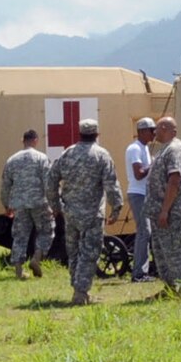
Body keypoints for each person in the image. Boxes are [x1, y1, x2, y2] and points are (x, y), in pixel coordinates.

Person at [48, 118, 123, 306]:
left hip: (70, 213)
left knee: (73, 252)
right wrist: (116, 207)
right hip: (92, 214)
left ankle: (78, 288)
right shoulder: (102, 155)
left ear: (79, 133)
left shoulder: (67, 154)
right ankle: (80, 292)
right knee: (90, 253)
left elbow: (51, 180)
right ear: (97, 134)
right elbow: (111, 184)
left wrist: (56, 206)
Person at [145, 116, 181, 294]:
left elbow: (174, 180)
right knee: (162, 251)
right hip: (159, 211)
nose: (154, 132)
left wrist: (165, 210)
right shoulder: (164, 150)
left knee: (176, 250)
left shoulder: (175, 149)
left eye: (156, 128)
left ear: (164, 128)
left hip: (171, 212)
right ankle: (170, 288)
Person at [0, 128, 55, 279]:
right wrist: (54, 204)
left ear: (22, 141)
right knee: (46, 231)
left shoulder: (12, 160)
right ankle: (36, 258)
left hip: (20, 205)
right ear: (36, 141)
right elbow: (48, 183)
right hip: (39, 203)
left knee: (20, 235)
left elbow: (5, 185)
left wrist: (6, 205)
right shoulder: (42, 158)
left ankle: (19, 271)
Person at [124, 117, 155, 281]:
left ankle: (144, 270)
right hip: (138, 193)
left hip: (144, 193)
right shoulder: (135, 149)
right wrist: (153, 165)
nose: (154, 133)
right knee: (144, 231)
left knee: (146, 231)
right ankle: (138, 273)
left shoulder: (145, 148)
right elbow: (138, 173)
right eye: (151, 130)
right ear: (142, 131)